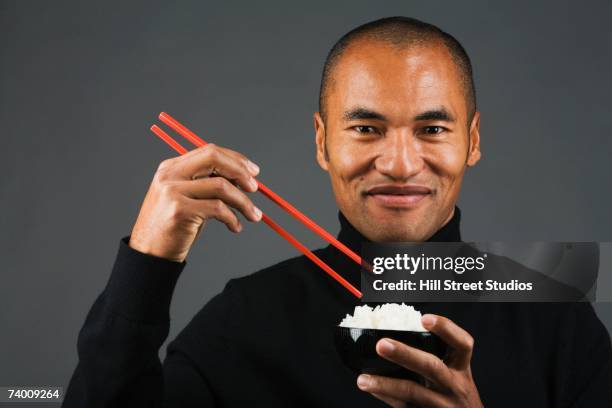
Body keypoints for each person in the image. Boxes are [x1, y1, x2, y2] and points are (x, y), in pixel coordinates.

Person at [64, 17, 612, 407]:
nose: (398, 164)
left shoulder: (553, 315)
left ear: (471, 141)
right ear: (323, 142)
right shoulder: (244, 321)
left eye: (432, 129)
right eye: (366, 129)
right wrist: (146, 263)